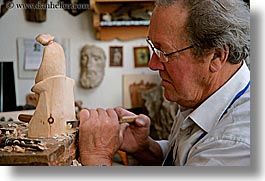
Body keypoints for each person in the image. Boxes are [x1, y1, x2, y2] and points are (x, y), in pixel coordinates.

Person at [78, 0, 250, 166]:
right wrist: (145, 148)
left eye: (164, 52)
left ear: (217, 56)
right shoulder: (201, 94)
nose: (152, 64)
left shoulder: (233, 145)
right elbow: (190, 155)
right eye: (154, 48)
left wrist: (97, 157)